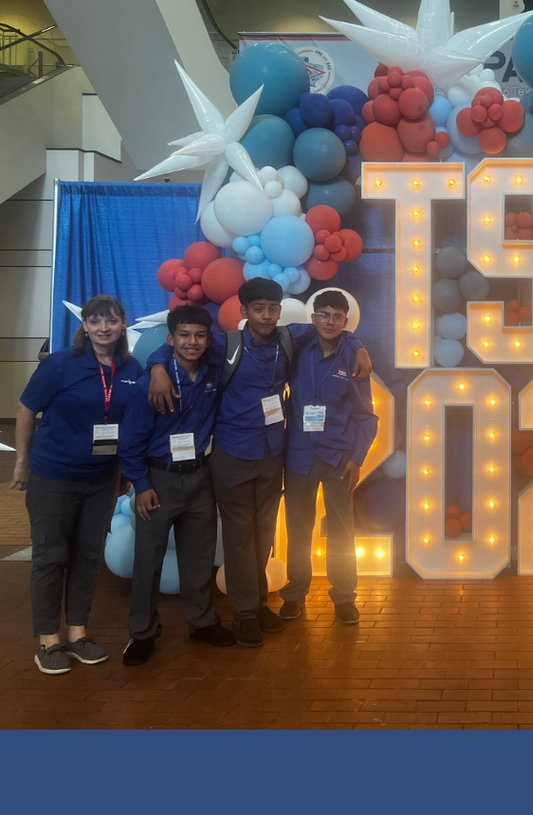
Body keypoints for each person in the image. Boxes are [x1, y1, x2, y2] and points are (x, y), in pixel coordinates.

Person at [147, 278, 371, 648]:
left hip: (273, 452)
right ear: (244, 311)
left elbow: (335, 328)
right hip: (235, 451)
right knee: (239, 535)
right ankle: (246, 613)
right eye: (258, 309)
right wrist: (157, 366)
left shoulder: (290, 337)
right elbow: (183, 345)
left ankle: (262, 602)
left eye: (272, 309)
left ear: (280, 311)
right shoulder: (226, 344)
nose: (266, 316)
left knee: (264, 533)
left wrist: (359, 345)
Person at [11, 296, 144, 674]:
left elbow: (133, 422)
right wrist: (21, 462)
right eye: (95, 321)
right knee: (51, 557)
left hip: (102, 480)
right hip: (53, 476)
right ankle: (48, 639)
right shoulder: (60, 365)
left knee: (88, 556)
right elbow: (25, 410)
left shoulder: (131, 368)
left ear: (123, 324)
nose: (104, 328)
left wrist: (124, 471)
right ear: (84, 326)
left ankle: (77, 633)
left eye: (112, 320)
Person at [118, 306, 235, 665]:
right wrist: (141, 485)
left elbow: (229, 345)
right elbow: (130, 442)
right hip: (158, 480)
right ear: (170, 339)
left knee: (198, 556)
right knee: (148, 560)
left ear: (208, 339)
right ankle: (142, 632)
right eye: (184, 335)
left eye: (200, 335)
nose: (192, 342)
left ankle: (202, 622)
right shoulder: (149, 384)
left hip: (200, 475)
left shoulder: (213, 371)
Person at [278, 291, 377, 625]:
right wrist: (359, 343)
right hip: (299, 454)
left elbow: (366, 415)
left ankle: (345, 596)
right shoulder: (297, 348)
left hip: (339, 456)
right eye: (324, 315)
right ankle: (295, 593)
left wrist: (357, 458)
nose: (330, 322)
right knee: (298, 528)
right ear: (313, 318)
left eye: (337, 316)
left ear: (345, 321)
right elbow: (275, 332)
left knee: (341, 529)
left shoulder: (353, 358)